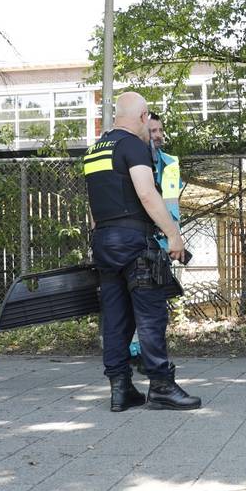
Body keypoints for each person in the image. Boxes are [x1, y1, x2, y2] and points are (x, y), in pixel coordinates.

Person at [85, 92, 200, 412]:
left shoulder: (95, 150)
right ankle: (161, 386)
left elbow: (93, 207)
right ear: (143, 116)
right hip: (135, 242)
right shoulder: (132, 145)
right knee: (150, 315)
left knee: (116, 318)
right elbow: (148, 195)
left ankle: (120, 389)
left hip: (105, 242)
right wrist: (173, 235)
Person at [128, 111, 184, 373]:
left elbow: (171, 205)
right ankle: (137, 352)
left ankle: (143, 354)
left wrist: (173, 237)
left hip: (157, 240)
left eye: (161, 130)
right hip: (134, 239)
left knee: (153, 302)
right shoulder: (128, 158)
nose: (159, 136)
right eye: (153, 131)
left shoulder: (170, 163)